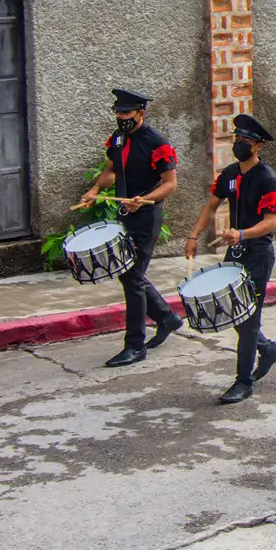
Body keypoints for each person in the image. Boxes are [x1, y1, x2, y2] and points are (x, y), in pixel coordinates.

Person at [184, 114, 276, 404]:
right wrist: (193, 235)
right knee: (235, 313)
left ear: (258, 147)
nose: (240, 145)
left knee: (249, 319)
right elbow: (212, 206)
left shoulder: (267, 178)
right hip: (236, 252)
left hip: (257, 255)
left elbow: (270, 223)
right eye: (237, 139)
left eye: (246, 141)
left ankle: (243, 382)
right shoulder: (229, 174)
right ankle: (268, 350)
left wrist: (242, 234)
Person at [79, 89, 181, 368]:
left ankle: (135, 346)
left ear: (140, 113)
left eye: (126, 113)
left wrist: (146, 200)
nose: (121, 117)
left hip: (146, 216)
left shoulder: (156, 143)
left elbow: (170, 184)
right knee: (128, 274)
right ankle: (166, 317)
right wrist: (95, 189)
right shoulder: (118, 138)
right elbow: (112, 169)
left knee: (132, 277)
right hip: (124, 214)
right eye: (118, 112)